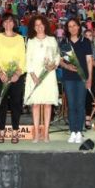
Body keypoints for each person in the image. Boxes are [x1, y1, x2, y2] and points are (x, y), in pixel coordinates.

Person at [0, 13, 26, 143]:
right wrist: (0, 72)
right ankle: (1, 132)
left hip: (17, 76)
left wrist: (17, 73)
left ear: (14, 23)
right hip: (0, 76)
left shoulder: (20, 38)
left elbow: (22, 57)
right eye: (5, 22)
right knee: (1, 104)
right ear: (2, 24)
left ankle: (15, 132)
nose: (8, 24)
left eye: (10, 21)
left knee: (16, 104)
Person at [24, 15, 60, 143]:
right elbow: (27, 59)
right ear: (33, 27)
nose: (39, 27)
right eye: (36, 25)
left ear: (45, 25)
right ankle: (36, 134)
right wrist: (33, 76)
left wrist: (53, 65)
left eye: (41, 24)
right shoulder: (31, 41)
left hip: (49, 75)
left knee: (47, 104)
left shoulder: (52, 40)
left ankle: (46, 134)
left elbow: (57, 57)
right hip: (34, 76)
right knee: (36, 104)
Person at [59, 17, 93, 144]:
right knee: (71, 105)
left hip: (82, 78)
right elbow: (60, 61)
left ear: (79, 27)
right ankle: (72, 131)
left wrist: (90, 78)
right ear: (67, 29)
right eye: (70, 26)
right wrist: (67, 66)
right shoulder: (64, 42)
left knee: (80, 104)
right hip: (68, 78)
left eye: (74, 25)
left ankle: (79, 131)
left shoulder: (85, 42)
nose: (72, 28)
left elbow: (89, 60)